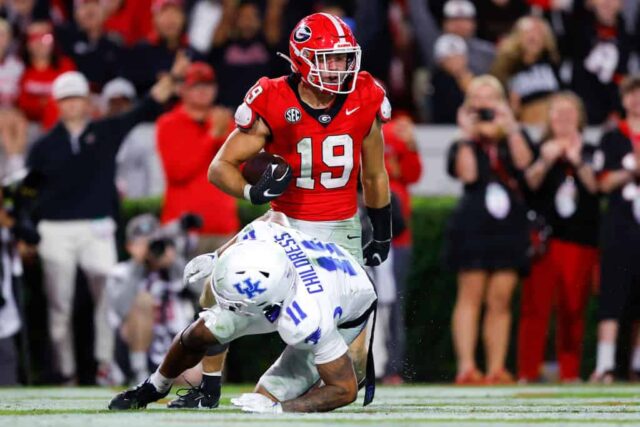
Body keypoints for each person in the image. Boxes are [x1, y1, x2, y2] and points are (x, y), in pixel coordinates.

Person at [166, 12, 391, 409]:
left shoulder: (366, 94)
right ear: (303, 59)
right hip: (286, 224)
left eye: (343, 58)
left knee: (347, 360)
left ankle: (267, 399)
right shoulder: (273, 95)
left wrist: (382, 228)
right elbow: (220, 167)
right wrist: (254, 192)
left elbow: (374, 174)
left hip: (340, 232)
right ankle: (209, 384)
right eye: (329, 59)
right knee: (219, 295)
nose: (339, 68)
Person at [108, 211, 377, 413]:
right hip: (303, 278)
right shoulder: (264, 235)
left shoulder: (308, 319)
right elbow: (268, 220)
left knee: (265, 399)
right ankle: (154, 386)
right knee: (204, 330)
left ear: (268, 308)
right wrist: (216, 256)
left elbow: (344, 390)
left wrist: (282, 409)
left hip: (347, 304)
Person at [25, 70, 175, 384]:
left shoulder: (106, 131)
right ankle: (65, 372)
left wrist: (172, 77)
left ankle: (105, 365)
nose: (71, 105)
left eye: (76, 98)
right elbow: (29, 191)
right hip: (54, 228)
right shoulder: (43, 146)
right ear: (58, 103)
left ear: (87, 101)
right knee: (59, 304)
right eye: (65, 99)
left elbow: (144, 109)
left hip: (97, 226)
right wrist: (27, 230)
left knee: (108, 293)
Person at [444, 75, 533, 385]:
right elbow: (467, 175)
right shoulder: (462, 142)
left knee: (501, 299)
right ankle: (467, 367)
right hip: (473, 225)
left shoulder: (513, 137)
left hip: (509, 226)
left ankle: (496, 368)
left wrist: (510, 127)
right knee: (470, 295)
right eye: (477, 100)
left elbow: (525, 164)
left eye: (490, 99)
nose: (484, 106)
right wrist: (468, 134)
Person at [517, 92, 600, 383]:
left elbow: (595, 187)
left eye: (569, 114)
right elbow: (529, 183)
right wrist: (545, 160)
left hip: (580, 240)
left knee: (573, 307)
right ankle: (528, 370)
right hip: (545, 241)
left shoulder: (590, 149)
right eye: (558, 114)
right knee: (535, 307)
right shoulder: (540, 148)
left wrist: (577, 160)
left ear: (580, 118)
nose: (563, 120)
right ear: (549, 119)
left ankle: (570, 371)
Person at [156, 61, 237, 255]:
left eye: (208, 85)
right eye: (196, 86)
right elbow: (178, 172)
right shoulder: (168, 123)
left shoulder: (225, 121)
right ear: (182, 89)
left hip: (223, 226)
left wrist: (224, 134)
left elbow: (239, 170)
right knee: (179, 285)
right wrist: (211, 137)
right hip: (183, 230)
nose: (203, 91)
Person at [107, 214, 196, 385]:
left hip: (172, 345)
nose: (149, 249)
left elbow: (203, 294)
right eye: (141, 243)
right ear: (129, 246)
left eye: (152, 243)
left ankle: (164, 376)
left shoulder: (173, 269)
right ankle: (139, 373)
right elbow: (120, 311)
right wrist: (138, 265)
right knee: (144, 300)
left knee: (193, 378)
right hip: (134, 349)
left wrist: (174, 261)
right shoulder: (121, 272)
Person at [591, 75, 640, 383]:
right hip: (620, 227)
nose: (636, 101)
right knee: (612, 295)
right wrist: (632, 170)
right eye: (632, 95)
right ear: (623, 100)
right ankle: (605, 365)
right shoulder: (612, 138)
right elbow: (602, 182)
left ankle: (637, 366)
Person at [379, 114, 422, 383]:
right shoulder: (347, 125)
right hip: (361, 231)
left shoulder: (397, 130)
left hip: (397, 237)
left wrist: (411, 145)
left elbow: (412, 174)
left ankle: (392, 367)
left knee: (394, 305)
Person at [209, 0, 286, 109]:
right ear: (235, 20)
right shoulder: (225, 45)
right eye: (243, 16)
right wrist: (229, 8)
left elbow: (273, 26)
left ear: (259, 21)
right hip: (227, 111)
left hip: (261, 111)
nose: (248, 21)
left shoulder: (266, 46)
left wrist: (274, 8)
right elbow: (219, 38)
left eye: (252, 16)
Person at [491, 15, 562, 125]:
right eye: (529, 32)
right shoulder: (505, 66)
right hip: (523, 125)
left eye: (539, 33)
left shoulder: (553, 62)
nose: (534, 36)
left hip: (552, 124)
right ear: (518, 36)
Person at [104, 77, 165, 200]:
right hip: (106, 209)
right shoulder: (97, 135)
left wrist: (152, 205)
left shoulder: (147, 133)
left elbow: (156, 175)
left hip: (139, 205)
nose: (119, 107)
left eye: (123, 101)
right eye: (114, 102)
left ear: (132, 103)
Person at [55, 0, 122, 91]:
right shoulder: (64, 37)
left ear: (105, 14)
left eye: (96, 6)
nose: (89, 9)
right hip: (73, 90)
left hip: (104, 93)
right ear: (76, 13)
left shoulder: (114, 42)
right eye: (84, 6)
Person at [17, 20, 75, 125]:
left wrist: (42, 102)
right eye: (34, 38)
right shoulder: (20, 68)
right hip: (30, 124)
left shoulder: (66, 65)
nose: (40, 42)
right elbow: (22, 104)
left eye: (46, 37)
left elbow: (72, 96)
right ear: (27, 43)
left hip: (62, 121)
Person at [430, 33, 473, 124]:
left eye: (459, 57)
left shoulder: (473, 79)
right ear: (440, 61)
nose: (455, 61)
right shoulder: (436, 81)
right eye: (449, 58)